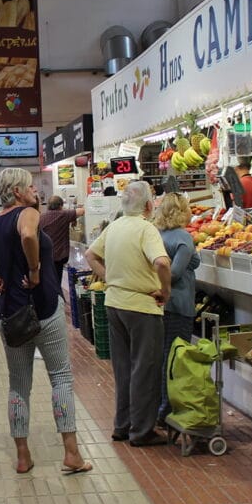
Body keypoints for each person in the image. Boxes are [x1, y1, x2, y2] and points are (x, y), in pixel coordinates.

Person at [0, 168, 92, 476]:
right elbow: (29, 235)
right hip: (43, 308)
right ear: (17, 191)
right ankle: (71, 453)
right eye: (30, 186)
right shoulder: (26, 214)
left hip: (10, 313)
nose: (35, 191)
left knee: (19, 385)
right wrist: (34, 270)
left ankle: (22, 456)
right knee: (61, 378)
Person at [84, 181, 171, 447]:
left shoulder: (115, 226)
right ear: (148, 205)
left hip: (114, 303)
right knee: (145, 369)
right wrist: (165, 290)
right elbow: (161, 262)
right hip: (142, 307)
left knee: (123, 369)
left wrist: (109, 276)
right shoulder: (147, 229)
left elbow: (90, 255)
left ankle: (122, 426)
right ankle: (141, 431)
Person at [151, 193, 200, 424]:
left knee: (161, 357)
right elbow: (175, 273)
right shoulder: (183, 237)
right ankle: (166, 411)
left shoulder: (157, 234)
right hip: (178, 305)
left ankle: (159, 407)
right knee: (174, 359)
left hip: (158, 306)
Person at [40, 195, 85, 288]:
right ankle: (57, 299)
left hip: (45, 256)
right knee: (57, 281)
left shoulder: (41, 217)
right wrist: (73, 216)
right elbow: (82, 211)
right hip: (59, 256)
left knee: (48, 282)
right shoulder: (63, 214)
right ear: (60, 205)